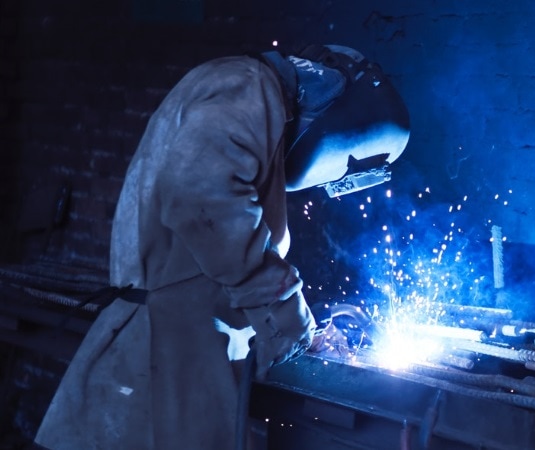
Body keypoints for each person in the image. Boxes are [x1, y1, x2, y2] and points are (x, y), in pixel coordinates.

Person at [34, 44, 410, 449]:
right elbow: (203, 197)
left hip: (171, 340)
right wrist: (294, 325)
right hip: (178, 354)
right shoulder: (250, 89)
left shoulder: (239, 86)